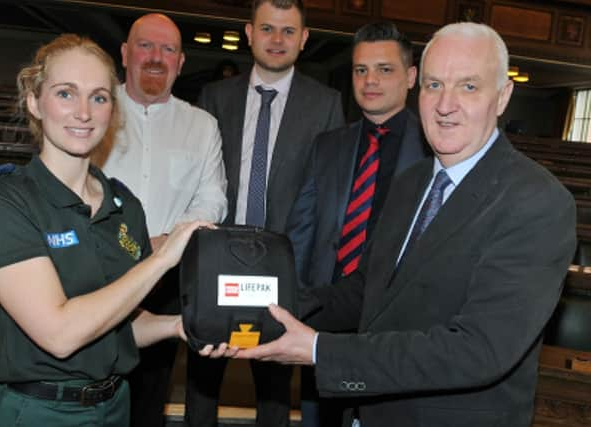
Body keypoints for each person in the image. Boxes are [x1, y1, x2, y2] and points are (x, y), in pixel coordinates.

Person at [234, 22, 577, 427]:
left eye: (469, 87)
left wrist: (320, 352)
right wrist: (272, 306)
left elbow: (479, 349)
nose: (445, 104)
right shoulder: (412, 181)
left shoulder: (537, 200)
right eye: (434, 85)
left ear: (502, 97)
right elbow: (369, 291)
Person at [0, 34, 211, 427]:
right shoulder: (2, 204)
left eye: (99, 97)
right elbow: (61, 333)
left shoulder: (124, 206)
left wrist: (178, 327)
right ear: (35, 103)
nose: (84, 113)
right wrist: (161, 259)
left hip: (115, 405)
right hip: (38, 411)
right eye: (66, 94)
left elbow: (116, 322)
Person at [186, 1, 344, 426]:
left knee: (274, 383)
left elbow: (323, 194)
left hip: (281, 264)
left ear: (304, 39)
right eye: (268, 29)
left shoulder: (326, 103)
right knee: (204, 371)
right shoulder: (215, 96)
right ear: (249, 32)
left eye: (288, 31)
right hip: (218, 257)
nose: (277, 40)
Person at [286, 22, 429, 427]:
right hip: (323, 320)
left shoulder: (434, 152)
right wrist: (297, 303)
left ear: (411, 76)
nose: (370, 81)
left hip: (393, 328)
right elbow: (301, 234)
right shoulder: (328, 145)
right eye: (360, 70)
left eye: (384, 69)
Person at [100, 13, 228, 427]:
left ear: (181, 61)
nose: (156, 57)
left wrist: (166, 243)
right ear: (124, 54)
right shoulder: (96, 113)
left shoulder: (202, 126)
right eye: (145, 46)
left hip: (165, 282)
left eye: (168, 49)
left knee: (149, 398)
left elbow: (213, 199)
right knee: (91, 383)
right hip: (95, 272)